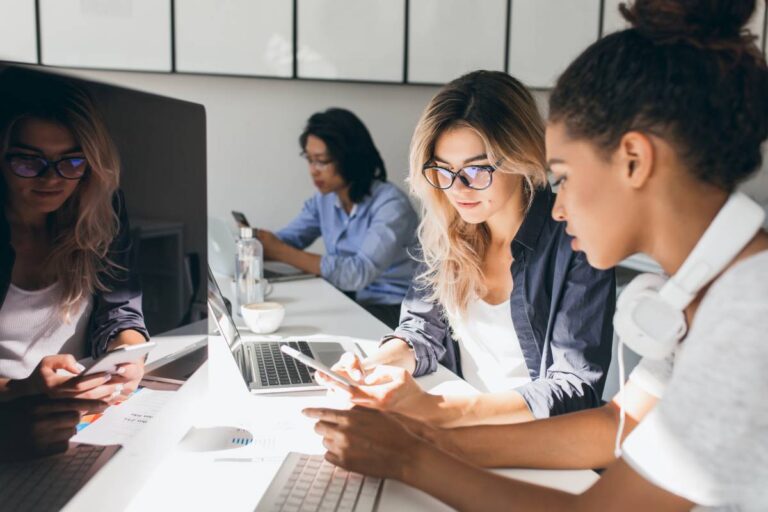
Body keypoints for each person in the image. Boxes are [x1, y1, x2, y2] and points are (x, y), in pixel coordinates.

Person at [305, 0, 768, 509]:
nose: (559, 207)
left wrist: (413, 458)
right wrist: (432, 439)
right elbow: (614, 427)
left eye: (563, 176)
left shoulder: (751, 313)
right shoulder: (710, 291)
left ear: (634, 159)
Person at [321, 71, 615, 427]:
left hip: (534, 440)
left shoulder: (575, 241)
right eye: (442, 170)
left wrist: (443, 412)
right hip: (457, 425)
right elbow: (421, 332)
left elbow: (574, 386)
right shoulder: (447, 234)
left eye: (475, 170)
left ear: (521, 157)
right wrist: (368, 368)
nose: (457, 189)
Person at [0, 71, 150, 458]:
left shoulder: (100, 212)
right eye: (29, 162)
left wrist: (129, 356)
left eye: (71, 161)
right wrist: (20, 391)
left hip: (80, 422)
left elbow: (122, 313)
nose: (52, 179)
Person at [255, 108, 419, 329]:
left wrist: (279, 251)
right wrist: (255, 242)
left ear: (349, 159)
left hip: (397, 310)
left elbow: (358, 273)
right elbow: (288, 241)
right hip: (351, 299)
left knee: (308, 325)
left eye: (322, 161)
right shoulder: (324, 200)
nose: (313, 170)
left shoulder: (391, 205)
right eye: (310, 160)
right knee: (293, 317)